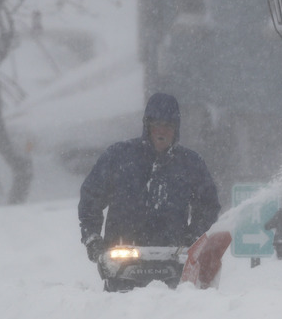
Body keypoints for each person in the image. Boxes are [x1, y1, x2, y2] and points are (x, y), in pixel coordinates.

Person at [78, 92, 221, 291]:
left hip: (173, 264)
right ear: (147, 126)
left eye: (168, 126)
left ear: (176, 129)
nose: (162, 132)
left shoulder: (190, 164)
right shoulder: (118, 157)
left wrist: (192, 237)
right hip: (121, 263)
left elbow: (208, 205)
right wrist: (92, 238)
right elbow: (91, 197)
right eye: (157, 125)